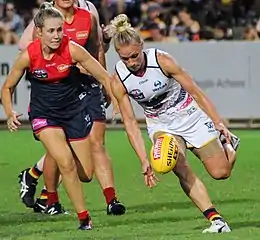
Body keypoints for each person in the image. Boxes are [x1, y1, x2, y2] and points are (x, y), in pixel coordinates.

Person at [107, 14, 240, 233]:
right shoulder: (119, 79)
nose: (131, 63)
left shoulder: (162, 61)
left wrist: (218, 122)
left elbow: (195, 92)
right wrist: (143, 160)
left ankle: (229, 145)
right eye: (125, 59)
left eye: (134, 56)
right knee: (174, 164)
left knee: (221, 172)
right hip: (161, 125)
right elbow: (130, 122)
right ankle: (216, 220)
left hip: (190, 116)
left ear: (142, 46)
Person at [1, 3, 119, 230]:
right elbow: (7, 87)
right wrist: (9, 112)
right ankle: (84, 218)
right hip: (44, 115)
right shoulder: (29, 55)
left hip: (74, 112)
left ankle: (35, 173)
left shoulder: (73, 49)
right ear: (39, 32)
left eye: (59, 30)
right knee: (65, 162)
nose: (57, 36)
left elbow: (104, 76)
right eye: (51, 31)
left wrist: (115, 101)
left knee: (86, 173)